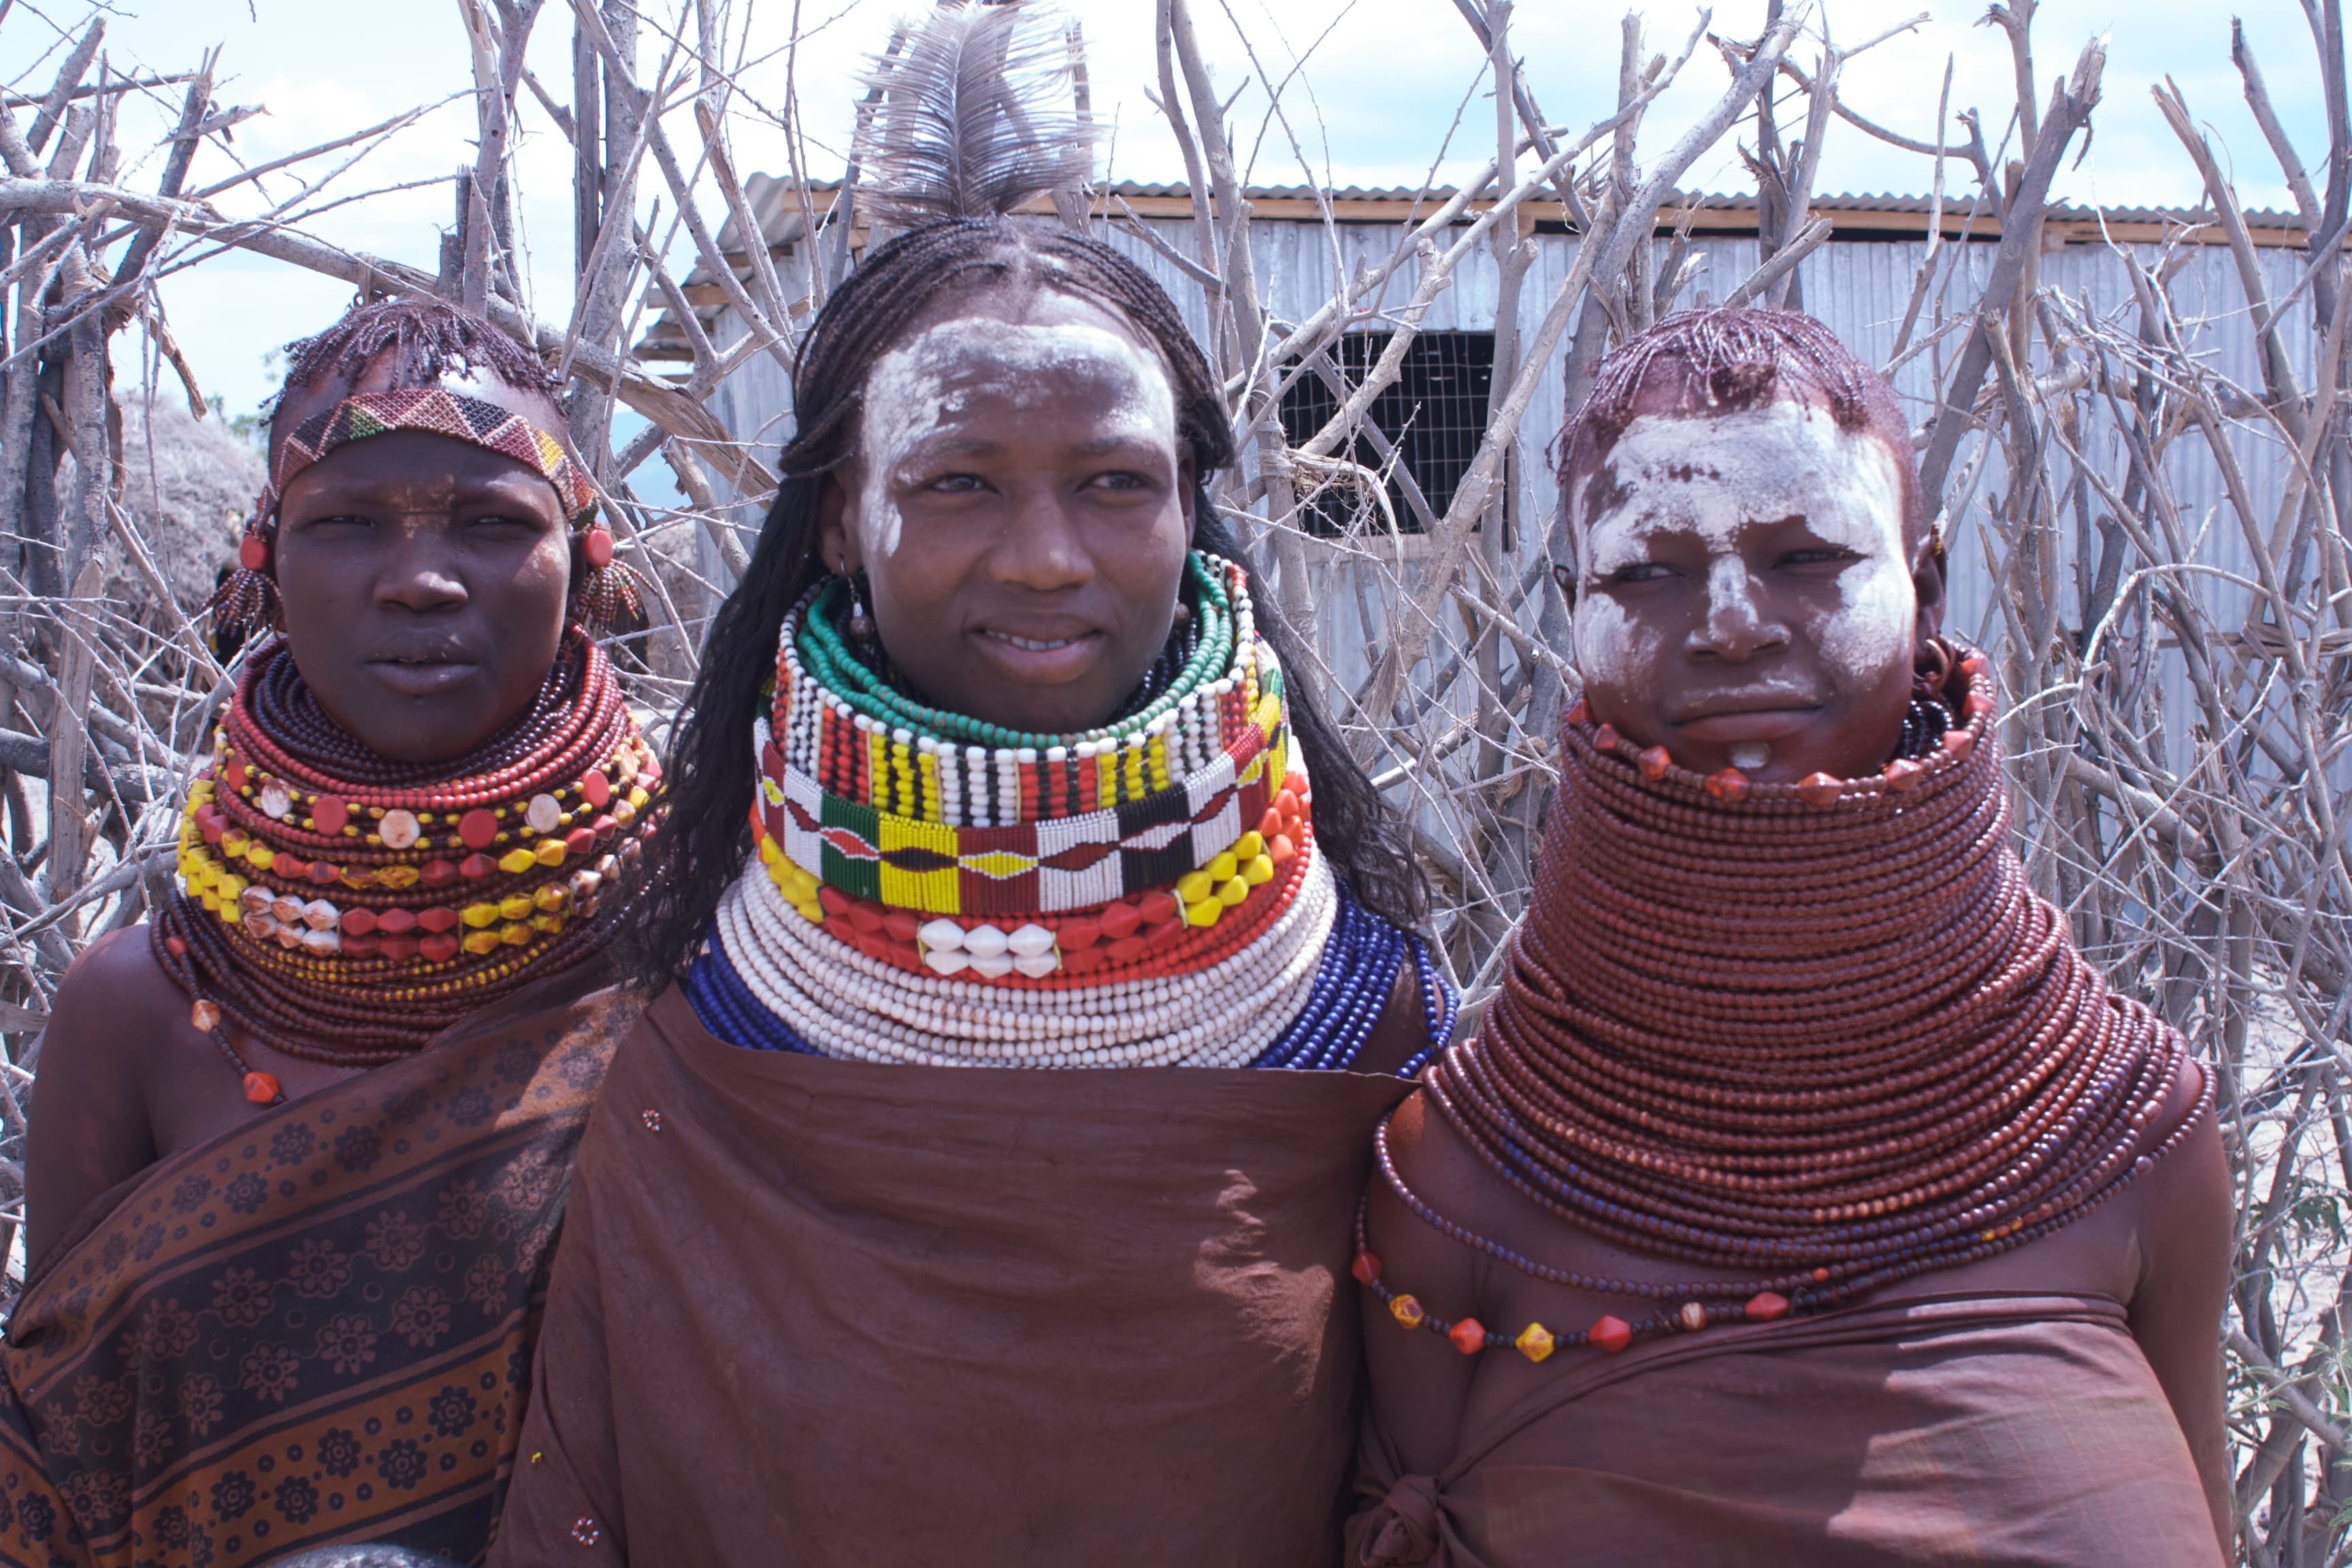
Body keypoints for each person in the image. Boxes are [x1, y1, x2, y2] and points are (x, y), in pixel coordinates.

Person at [485, 214, 1455, 1568]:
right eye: (958, 484)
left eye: (1116, 483)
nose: (1048, 556)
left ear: (1189, 502)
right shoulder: (701, 1034)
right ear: (839, 516)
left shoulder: (1366, 1022)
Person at [1348, 308, 2232, 1567]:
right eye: (1647, 570)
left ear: (1926, 587)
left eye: (1807, 555)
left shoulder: (2126, 1133)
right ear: (1570, 609)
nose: (1732, 623)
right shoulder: (1460, 1182)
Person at [1, 298, 661, 1568]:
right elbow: (62, 1451)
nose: (419, 579)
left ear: (585, 562)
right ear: (263, 562)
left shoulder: (702, 962)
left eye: (492, 523)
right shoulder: (138, 1012)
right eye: (348, 523)